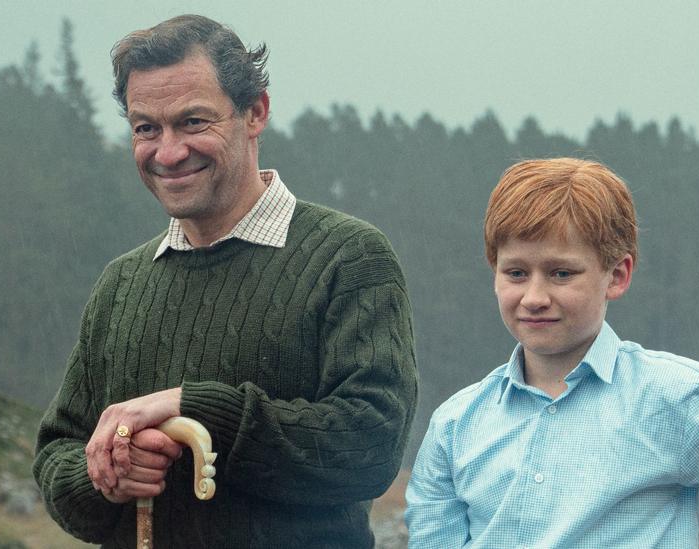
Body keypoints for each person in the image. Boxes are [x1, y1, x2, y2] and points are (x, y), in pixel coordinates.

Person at [33, 14, 417, 548]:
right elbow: (57, 455)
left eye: (193, 122)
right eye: (146, 128)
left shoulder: (347, 258)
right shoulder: (120, 285)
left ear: (255, 112)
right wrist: (108, 474)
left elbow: (370, 448)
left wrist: (198, 410)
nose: (167, 152)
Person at [404, 158, 699, 548]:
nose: (534, 296)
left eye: (561, 273)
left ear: (618, 275)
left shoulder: (675, 399)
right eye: (516, 272)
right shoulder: (455, 426)